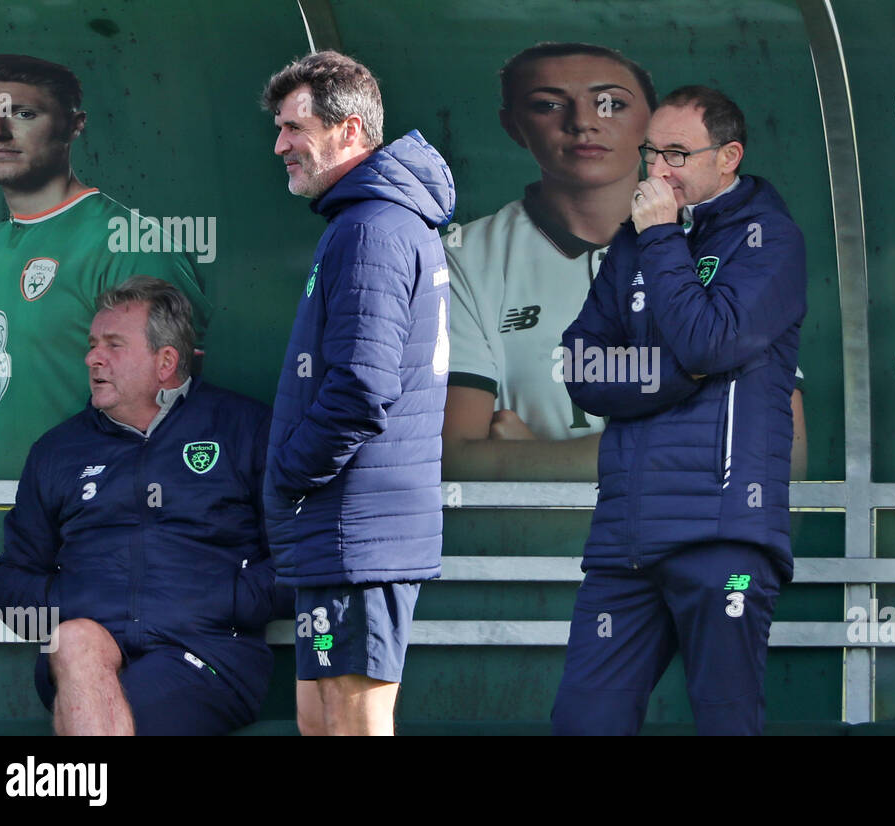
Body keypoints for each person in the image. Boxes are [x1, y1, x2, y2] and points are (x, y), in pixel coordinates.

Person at [552, 86, 806, 735]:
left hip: (720, 533)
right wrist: (676, 375)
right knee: (584, 719)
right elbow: (581, 367)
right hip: (625, 540)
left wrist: (663, 235)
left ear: (728, 157)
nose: (656, 171)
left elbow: (709, 339)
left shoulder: (768, 238)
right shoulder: (634, 244)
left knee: (725, 721)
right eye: (649, 154)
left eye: (675, 154)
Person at [443, 42, 807, 481]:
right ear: (513, 125)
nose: (583, 122)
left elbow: (783, 457)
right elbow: (453, 459)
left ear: (650, 119)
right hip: (533, 543)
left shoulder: (730, 241)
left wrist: (539, 457)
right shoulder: (467, 252)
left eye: (611, 103)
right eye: (548, 104)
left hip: (681, 542)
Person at [260, 50, 454, 736]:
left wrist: (289, 473)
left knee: (356, 719)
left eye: (293, 127)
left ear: (348, 130)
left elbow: (362, 386)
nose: (280, 144)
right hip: (340, 529)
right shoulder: (362, 220)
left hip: (358, 529)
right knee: (320, 716)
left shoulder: (374, 226)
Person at [0, 277, 274, 736]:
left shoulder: (243, 429)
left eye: (113, 345)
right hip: (81, 658)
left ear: (165, 362)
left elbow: (295, 559)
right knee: (77, 641)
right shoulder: (58, 450)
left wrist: (225, 600)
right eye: (92, 344)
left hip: (204, 654)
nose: (92, 358)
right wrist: (73, 606)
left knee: (109, 711)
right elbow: (12, 582)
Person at [0, 54, 212, 482]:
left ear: (75, 125)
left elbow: (174, 405)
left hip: (91, 518)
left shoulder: (128, 242)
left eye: (23, 113)